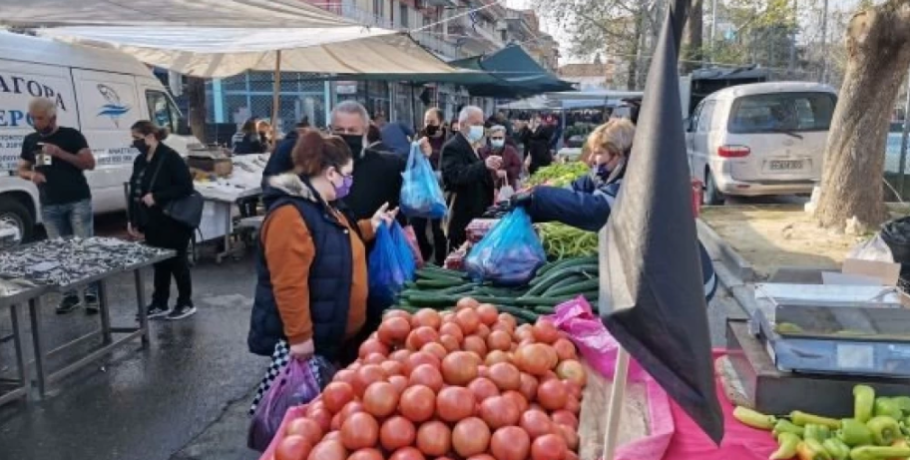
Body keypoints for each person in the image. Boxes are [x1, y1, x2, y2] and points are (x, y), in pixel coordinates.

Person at [248, 130, 397, 413]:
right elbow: (289, 284)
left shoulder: (326, 206)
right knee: (302, 416)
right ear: (331, 173)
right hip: (311, 344)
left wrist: (371, 226)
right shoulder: (290, 216)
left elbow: (338, 241)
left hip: (331, 337)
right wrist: (301, 338)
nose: (350, 182)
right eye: (347, 174)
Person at [510, 119, 718, 302]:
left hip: (683, 281)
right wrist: (537, 195)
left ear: (619, 154)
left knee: (663, 339)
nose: (592, 159)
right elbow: (580, 188)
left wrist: (540, 197)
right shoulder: (611, 172)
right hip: (653, 274)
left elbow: (595, 210)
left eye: (599, 153)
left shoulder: (638, 181)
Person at [17, 97, 99, 314]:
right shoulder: (31, 139)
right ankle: (70, 295)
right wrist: (31, 174)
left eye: (40, 118)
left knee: (83, 248)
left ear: (53, 118)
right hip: (49, 205)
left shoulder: (71, 135)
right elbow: (21, 169)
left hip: (77, 201)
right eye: (33, 118)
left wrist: (60, 153)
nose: (36, 122)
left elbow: (89, 164)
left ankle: (92, 293)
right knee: (61, 252)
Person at [127, 121, 197, 320]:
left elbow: (185, 187)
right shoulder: (140, 160)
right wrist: (132, 219)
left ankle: (185, 301)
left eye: (137, 138)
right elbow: (135, 189)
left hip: (172, 219)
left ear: (150, 136)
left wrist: (158, 197)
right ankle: (160, 302)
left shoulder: (170, 157)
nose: (134, 143)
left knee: (177, 260)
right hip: (151, 220)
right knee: (159, 262)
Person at [440, 106, 502, 251]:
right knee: (459, 255)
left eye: (482, 124)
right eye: (476, 124)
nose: (480, 128)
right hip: (463, 215)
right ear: (462, 125)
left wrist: (491, 180)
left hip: (477, 212)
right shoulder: (452, 147)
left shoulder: (474, 145)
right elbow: (456, 175)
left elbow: (477, 171)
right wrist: (484, 165)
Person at [412, 108, 449, 265]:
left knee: (438, 229)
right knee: (417, 226)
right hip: (421, 190)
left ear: (441, 123)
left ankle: (440, 261)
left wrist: (432, 154)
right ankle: (425, 254)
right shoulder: (419, 137)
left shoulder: (449, 140)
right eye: (426, 121)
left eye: (432, 122)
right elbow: (411, 160)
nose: (428, 125)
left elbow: (448, 163)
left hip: (439, 191)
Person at [480, 125, 522, 191]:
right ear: (490, 138)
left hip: (507, 186)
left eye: (500, 138)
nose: (497, 140)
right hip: (488, 188)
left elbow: (518, 165)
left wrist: (506, 172)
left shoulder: (510, 150)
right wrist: (494, 174)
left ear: (504, 138)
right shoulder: (483, 152)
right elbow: (480, 169)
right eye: (495, 138)